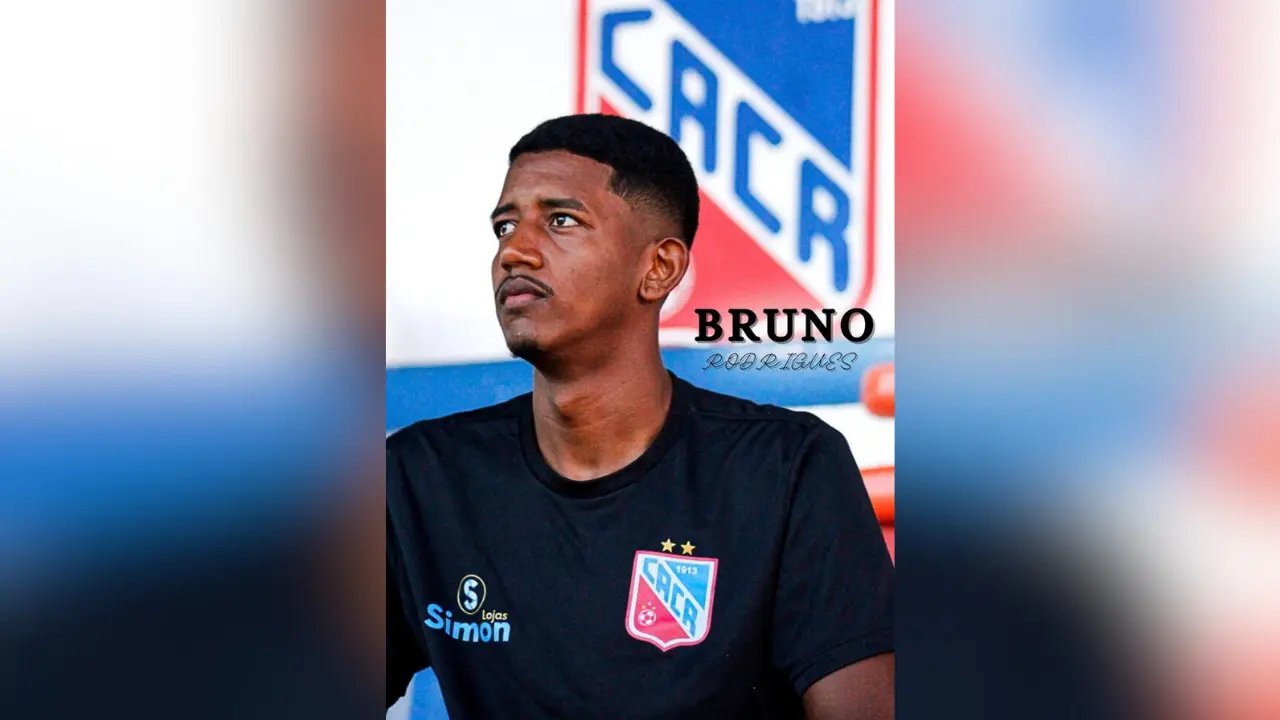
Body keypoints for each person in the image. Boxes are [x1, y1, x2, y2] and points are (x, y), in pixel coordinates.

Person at [387, 114, 893, 719]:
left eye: (561, 220)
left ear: (659, 268)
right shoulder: (420, 475)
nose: (513, 252)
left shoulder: (785, 466)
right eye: (505, 226)